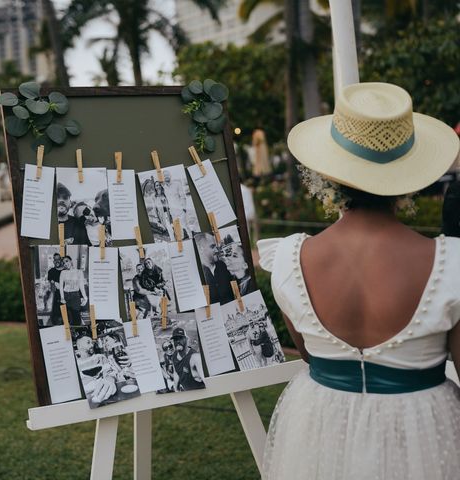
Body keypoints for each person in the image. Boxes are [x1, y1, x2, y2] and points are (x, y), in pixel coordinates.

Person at [256, 82, 460, 479]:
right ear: (410, 175)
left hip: (320, 423)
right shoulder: (449, 263)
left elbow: (309, 352)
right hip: (421, 429)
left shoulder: (289, 258)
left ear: (332, 175)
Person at [75, 335, 119, 404]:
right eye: (88, 343)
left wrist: (110, 379)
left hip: (106, 394)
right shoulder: (76, 364)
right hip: (88, 399)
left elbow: (110, 372)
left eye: (92, 343)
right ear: (79, 346)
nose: (92, 345)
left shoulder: (100, 357)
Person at [196, 233, 234, 304]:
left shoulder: (223, 266)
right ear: (201, 248)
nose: (217, 250)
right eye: (212, 246)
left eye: (216, 246)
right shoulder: (197, 274)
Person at [59, 255, 88, 325]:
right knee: (66, 319)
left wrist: (85, 297)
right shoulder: (63, 272)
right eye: (63, 263)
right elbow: (61, 286)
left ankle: (77, 332)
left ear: (71, 261)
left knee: (76, 318)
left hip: (75, 296)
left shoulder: (79, 272)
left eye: (67, 261)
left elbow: (81, 285)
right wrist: (62, 297)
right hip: (65, 295)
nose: (65, 264)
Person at [45, 253, 64, 325]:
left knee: (65, 318)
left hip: (65, 297)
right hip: (55, 297)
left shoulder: (65, 271)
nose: (57, 261)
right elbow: (51, 286)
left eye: (58, 259)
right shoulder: (51, 271)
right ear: (53, 261)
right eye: (55, 259)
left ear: (61, 260)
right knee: (54, 319)